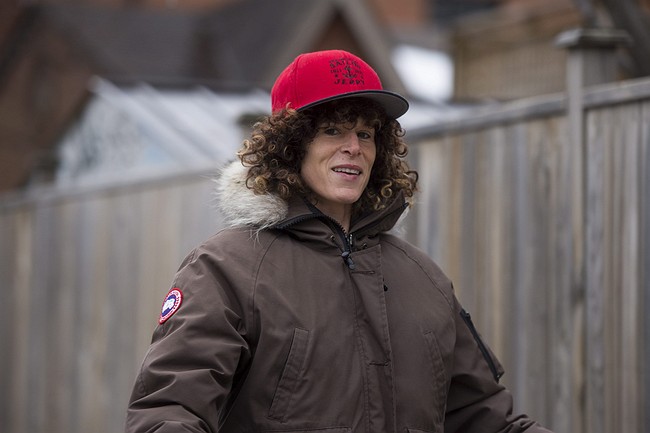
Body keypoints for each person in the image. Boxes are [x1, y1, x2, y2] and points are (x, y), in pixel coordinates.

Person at [125, 49, 553, 433]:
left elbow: (485, 417)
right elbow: (167, 411)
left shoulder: (424, 279)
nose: (354, 147)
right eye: (332, 131)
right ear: (290, 146)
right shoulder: (226, 267)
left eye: (366, 134)